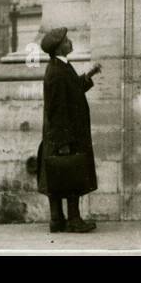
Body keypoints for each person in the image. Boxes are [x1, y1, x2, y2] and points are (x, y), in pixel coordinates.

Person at [36, 27, 101, 234]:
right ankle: (71, 220)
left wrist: (89, 75)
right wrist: (63, 142)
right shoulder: (56, 71)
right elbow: (57, 110)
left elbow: (72, 90)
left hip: (65, 134)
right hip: (65, 135)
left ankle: (58, 219)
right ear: (58, 48)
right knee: (70, 173)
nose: (70, 42)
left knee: (59, 174)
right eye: (66, 40)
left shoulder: (61, 67)